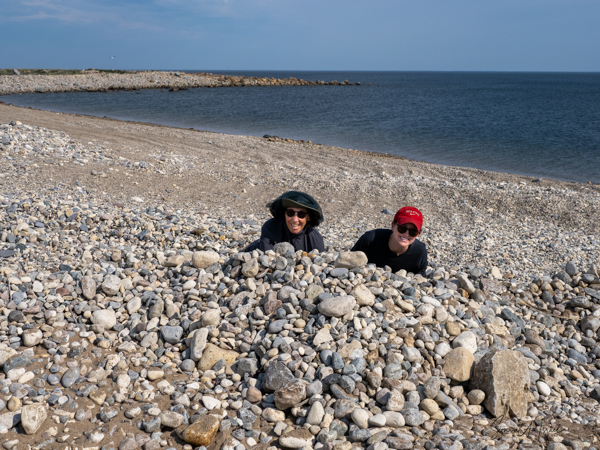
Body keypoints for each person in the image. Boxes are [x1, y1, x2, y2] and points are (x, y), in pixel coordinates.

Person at [351, 206, 427, 275]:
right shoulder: (370, 240)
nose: (406, 234)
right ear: (393, 226)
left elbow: (420, 280)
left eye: (413, 232)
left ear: (418, 234)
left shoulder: (419, 253)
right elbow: (349, 263)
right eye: (402, 228)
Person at [244, 191, 325, 253]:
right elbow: (267, 260)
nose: (295, 219)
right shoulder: (270, 228)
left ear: (308, 217)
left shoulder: (315, 240)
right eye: (290, 213)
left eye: (301, 214)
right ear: (284, 214)